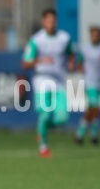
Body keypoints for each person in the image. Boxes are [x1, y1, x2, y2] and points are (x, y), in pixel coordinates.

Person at [21, 9, 74, 158]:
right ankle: (43, 146)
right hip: (42, 80)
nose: (51, 24)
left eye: (53, 21)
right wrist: (40, 61)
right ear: (43, 22)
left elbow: (71, 52)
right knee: (45, 114)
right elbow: (25, 63)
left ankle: (41, 130)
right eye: (48, 21)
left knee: (62, 118)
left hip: (59, 80)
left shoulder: (64, 38)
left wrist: (70, 63)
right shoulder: (36, 40)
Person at [74, 26, 100, 145]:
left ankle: (83, 133)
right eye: (93, 34)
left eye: (97, 34)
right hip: (90, 82)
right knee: (94, 106)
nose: (95, 37)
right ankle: (89, 133)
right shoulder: (85, 49)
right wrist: (81, 70)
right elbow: (79, 63)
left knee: (95, 109)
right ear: (90, 36)